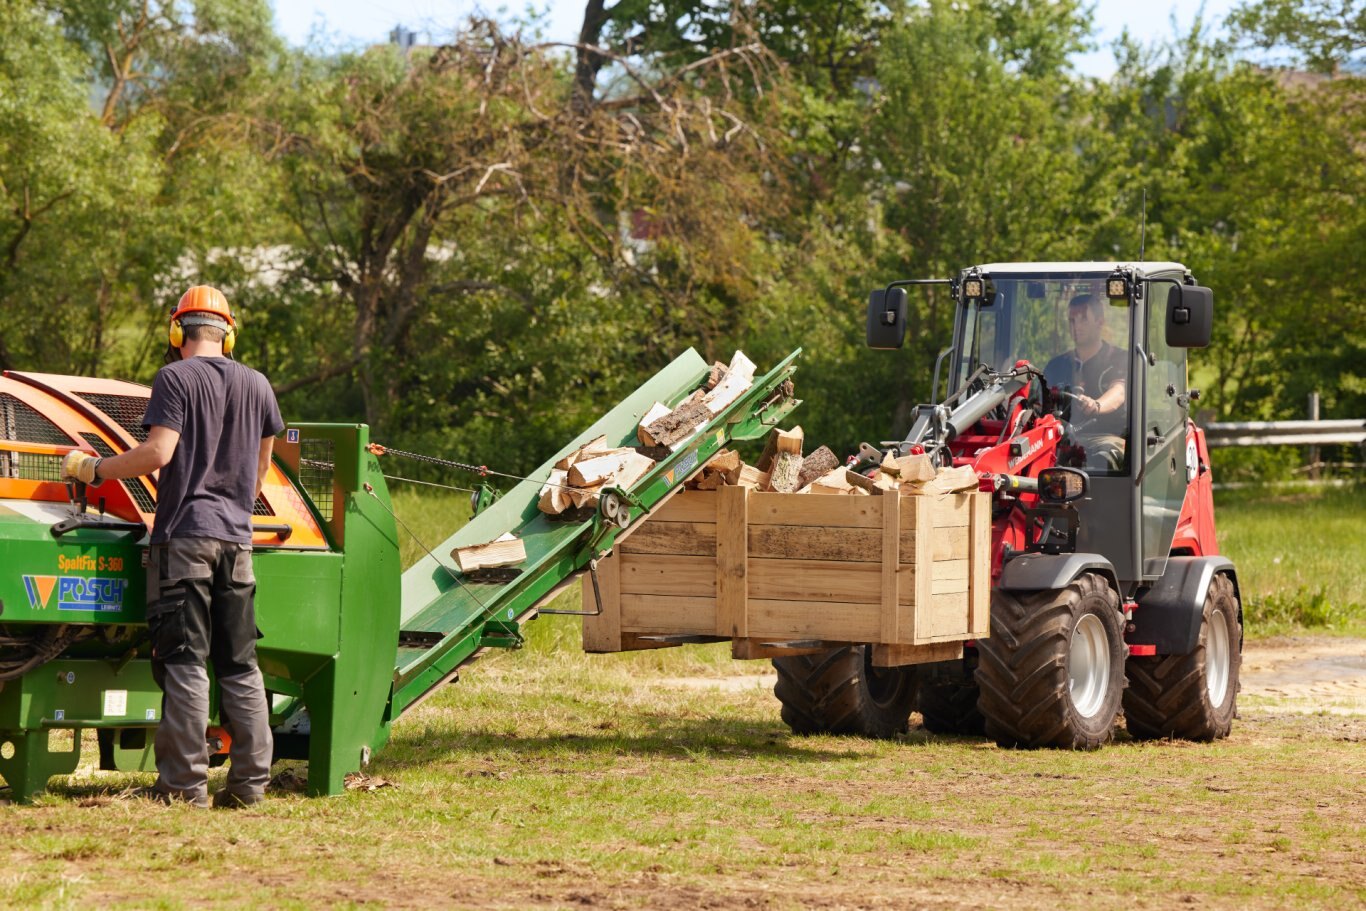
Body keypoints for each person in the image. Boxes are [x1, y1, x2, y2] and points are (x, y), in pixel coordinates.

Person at [62, 286, 283, 808]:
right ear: (228, 334)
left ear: (176, 330)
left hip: (185, 539)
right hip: (237, 542)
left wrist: (94, 469)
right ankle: (249, 788)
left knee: (185, 661)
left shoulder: (175, 378)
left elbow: (158, 453)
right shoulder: (258, 383)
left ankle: (184, 787)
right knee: (240, 665)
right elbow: (261, 471)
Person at [1042, 292, 1128, 470]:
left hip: (1106, 437)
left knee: (1103, 459)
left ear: (1100, 322)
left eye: (1083, 320)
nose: (1076, 327)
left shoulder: (1119, 358)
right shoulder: (1056, 365)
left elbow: (1119, 391)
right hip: (1061, 438)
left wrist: (1096, 405)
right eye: (1072, 321)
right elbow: (1040, 402)